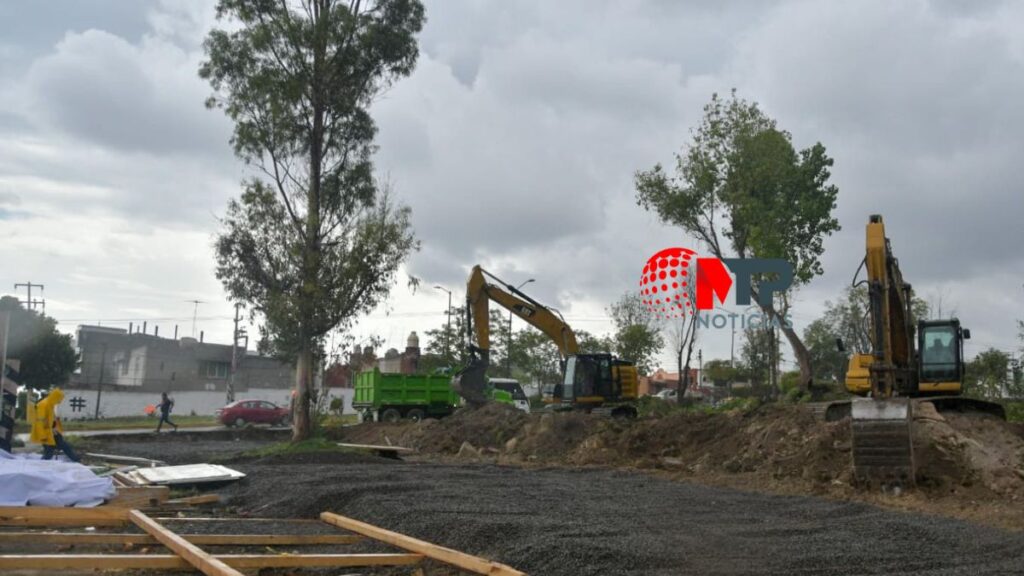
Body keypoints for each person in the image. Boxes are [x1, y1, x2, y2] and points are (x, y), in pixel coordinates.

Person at [30, 388, 80, 462]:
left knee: (61, 446)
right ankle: (42, 466)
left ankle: (75, 458)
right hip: (45, 433)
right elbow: (40, 421)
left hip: (51, 432)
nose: (59, 402)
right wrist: (43, 435)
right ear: (55, 397)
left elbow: (50, 419)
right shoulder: (43, 405)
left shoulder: (50, 404)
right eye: (59, 399)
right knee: (50, 451)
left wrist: (54, 428)